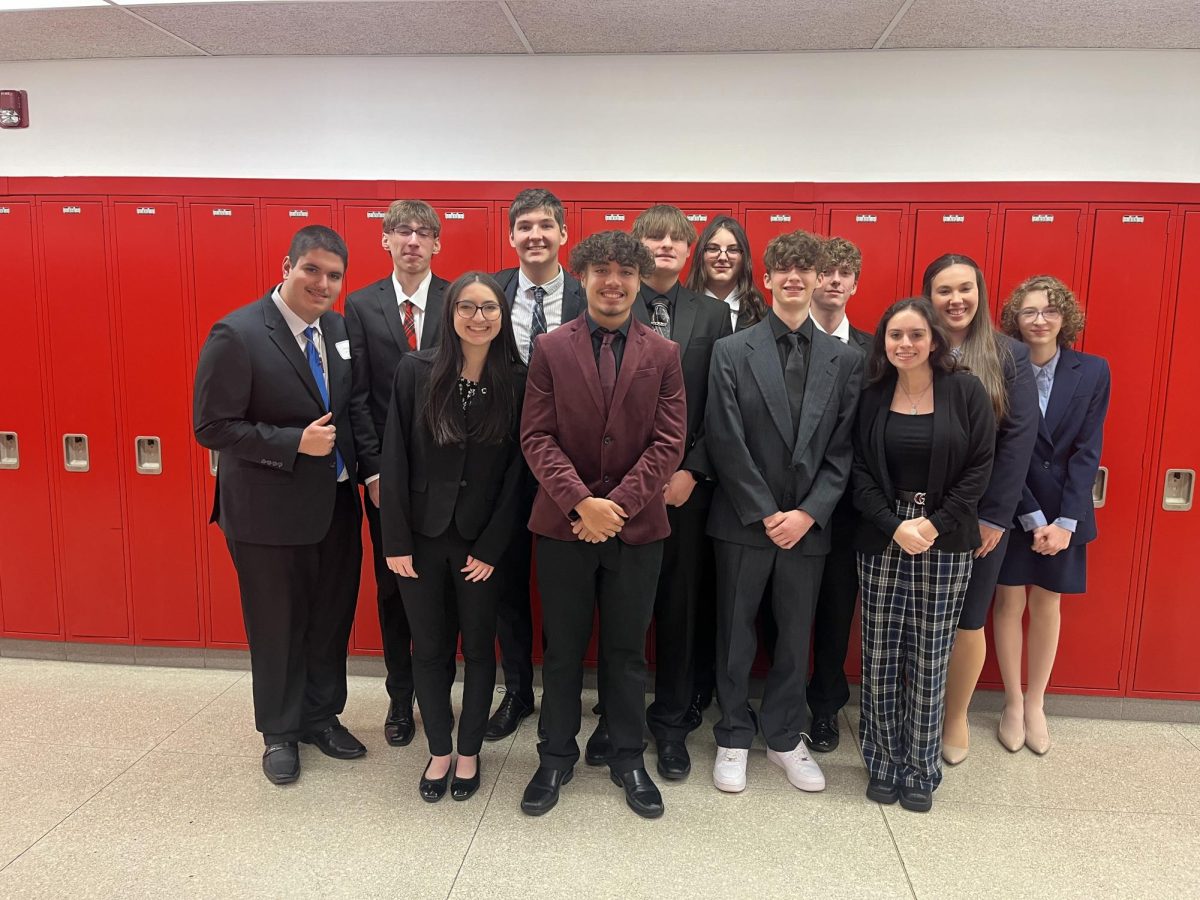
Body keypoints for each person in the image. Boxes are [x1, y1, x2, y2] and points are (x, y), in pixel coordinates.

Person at [194, 225, 372, 785]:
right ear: (287, 266)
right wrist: (291, 441)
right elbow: (212, 426)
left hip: (336, 504)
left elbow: (353, 407)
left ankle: (322, 716)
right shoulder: (239, 333)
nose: (323, 284)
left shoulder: (339, 329)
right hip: (267, 513)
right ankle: (279, 731)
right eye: (311, 270)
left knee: (329, 619)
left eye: (334, 275)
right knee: (277, 624)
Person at [518, 231, 686, 819]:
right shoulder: (550, 347)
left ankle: (627, 756)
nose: (613, 282)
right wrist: (580, 503)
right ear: (583, 276)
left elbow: (669, 442)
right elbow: (535, 436)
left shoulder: (663, 354)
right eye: (601, 271)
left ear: (640, 281)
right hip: (563, 528)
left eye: (625, 272)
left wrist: (615, 507)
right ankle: (554, 756)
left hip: (637, 529)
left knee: (625, 652)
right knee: (562, 650)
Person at [705, 230, 862, 795]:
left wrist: (808, 513)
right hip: (743, 522)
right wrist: (767, 510)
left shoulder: (846, 360)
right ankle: (731, 735)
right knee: (734, 635)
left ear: (821, 280)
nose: (795, 278)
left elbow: (844, 449)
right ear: (766, 279)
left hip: (809, 528)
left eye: (806, 270)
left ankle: (784, 737)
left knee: (796, 637)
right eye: (784, 269)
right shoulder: (732, 350)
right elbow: (724, 437)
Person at [581, 204, 729, 781]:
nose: (665, 245)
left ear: (688, 249)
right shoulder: (609, 301)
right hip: (612, 492)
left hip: (681, 491)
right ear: (635, 250)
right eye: (653, 237)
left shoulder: (713, 315)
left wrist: (691, 469)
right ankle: (613, 720)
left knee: (676, 607)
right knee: (616, 610)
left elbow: (722, 401)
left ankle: (670, 724)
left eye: (675, 238)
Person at [380, 272, 527, 802]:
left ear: (502, 315)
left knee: (480, 649)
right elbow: (394, 457)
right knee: (431, 649)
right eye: (468, 307)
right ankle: (439, 750)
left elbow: (519, 473)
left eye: (489, 307)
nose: (479, 317)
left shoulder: (517, 377)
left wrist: (492, 547)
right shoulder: (416, 370)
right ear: (451, 313)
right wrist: (394, 540)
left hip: (480, 544)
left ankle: (469, 753)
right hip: (419, 538)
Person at [852, 297, 995, 813]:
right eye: (895, 336)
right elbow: (859, 472)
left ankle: (920, 764)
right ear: (883, 342)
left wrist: (931, 524)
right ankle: (883, 761)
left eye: (915, 335)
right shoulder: (872, 395)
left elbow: (980, 469)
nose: (905, 345)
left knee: (931, 655)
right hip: (884, 538)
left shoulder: (965, 391)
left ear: (934, 339)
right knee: (881, 654)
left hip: (945, 539)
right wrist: (895, 527)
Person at [345, 199, 455, 749]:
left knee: (447, 588)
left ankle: (441, 692)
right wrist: (372, 472)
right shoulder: (361, 306)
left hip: (447, 477)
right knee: (394, 587)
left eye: (423, 232)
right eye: (401, 231)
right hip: (387, 480)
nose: (412, 240)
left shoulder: (457, 299)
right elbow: (358, 397)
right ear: (385, 240)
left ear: (437, 243)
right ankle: (399, 696)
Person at [922, 253, 1039, 765]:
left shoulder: (1009, 356)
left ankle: (954, 718)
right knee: (919, 619)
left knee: (968, 620)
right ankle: (917, 711)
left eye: (964, 288)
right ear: (929, 297)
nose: (956, 299)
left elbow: (1018, 443)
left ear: (980, 292)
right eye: (944, 290)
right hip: (918, 517)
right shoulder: (914, 346)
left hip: (980, 522)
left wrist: (994, 517)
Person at [993, 276, 1110, 756]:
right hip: (1012, 503)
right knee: (1007, 604)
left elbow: (1089, 450)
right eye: (1028, 312)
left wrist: (1065, 522)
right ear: (1014, 321)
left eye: (1049, 311)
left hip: (1065, 513)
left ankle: (1037, 702)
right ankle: (1012, 703)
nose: (1039, 321)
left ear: (1066, 318)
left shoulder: (1093, 370)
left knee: (1047, 605)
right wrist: (1031, 514)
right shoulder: (1002, 367)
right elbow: (1000, 448)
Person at [485, 188, 586, 741]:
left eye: (546, 225)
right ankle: (518, 689)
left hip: (570, 465)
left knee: (566, 584)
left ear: (563, 233)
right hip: (502, 463)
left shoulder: (587, 292)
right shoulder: (486, 293)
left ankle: (564, 694)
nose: (535, 236)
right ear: (511, 236)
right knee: (506, 583)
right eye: (524, 226)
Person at [806, 237, 873, 753]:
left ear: (854, 283)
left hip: (846, 510)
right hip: (782, 506)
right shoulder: (778, 338)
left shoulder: (875, 351)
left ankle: (826, 706)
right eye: (824, 270)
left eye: (843, 273)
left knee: (834, 611)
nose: (833, 280)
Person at [685, 214, 768, 332]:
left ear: (744, 257)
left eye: (733, 249)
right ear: (701, 255)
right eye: (713, 248)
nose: (723, 257)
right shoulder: (680, 310)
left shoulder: (762, 316)